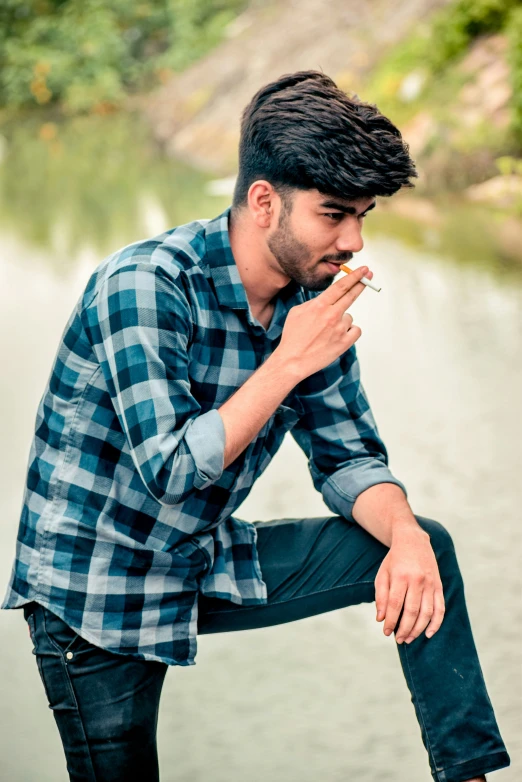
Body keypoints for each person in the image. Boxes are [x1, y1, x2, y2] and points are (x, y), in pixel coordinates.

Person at [2, 70, 510, 782]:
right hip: (96, 591)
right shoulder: (144, 285)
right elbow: (173, 470)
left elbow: (348, 459)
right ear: (264, 201)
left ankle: (468, 776)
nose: (355, 241)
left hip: (199, 557)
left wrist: (404, 535)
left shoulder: (308, 300)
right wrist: (287, 363)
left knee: (424, 548)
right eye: (334, 215)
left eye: (363, 216)